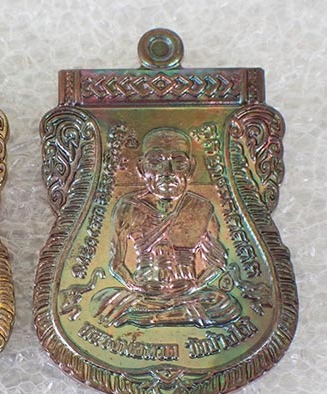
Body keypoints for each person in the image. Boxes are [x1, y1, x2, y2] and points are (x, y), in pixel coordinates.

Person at [94, 127, 241, 328]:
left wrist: (195, 285)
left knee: (224, 304)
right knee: (102, 299)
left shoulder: (201, 208)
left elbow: (216, 263)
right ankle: (163, 314)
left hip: (187, 294)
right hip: (145, 292)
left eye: (178, 163)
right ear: (142, 168)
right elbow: (116, 263)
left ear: (190, 167)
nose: (167, 172)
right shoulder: (129, 206)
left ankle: (149, 317)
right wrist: (135, 285)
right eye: (155, 163)